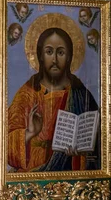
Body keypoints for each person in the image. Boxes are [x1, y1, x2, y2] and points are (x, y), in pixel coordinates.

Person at [8, 27, 99, 172]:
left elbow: (100, 145)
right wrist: (29, 133)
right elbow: (3, 146)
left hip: (69, 175)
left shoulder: (81, 94)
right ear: (41, 55)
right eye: (49, 52)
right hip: (32, 175)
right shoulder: (27, 94)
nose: (55, 59)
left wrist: (80, 153)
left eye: (61, 52)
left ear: (69, 56)